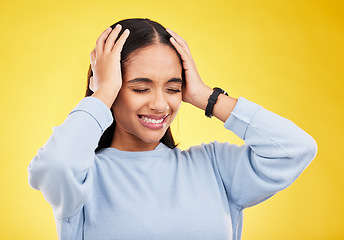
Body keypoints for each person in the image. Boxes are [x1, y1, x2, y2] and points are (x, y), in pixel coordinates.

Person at [28, 18, 317, 240]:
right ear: (112, 87)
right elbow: (55, 165)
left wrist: (207, 96)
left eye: (173, 88)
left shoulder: (215, 167)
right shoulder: (83, 177)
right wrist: (101, 94)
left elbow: (295, 149)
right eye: (140, 88)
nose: (160, 104)